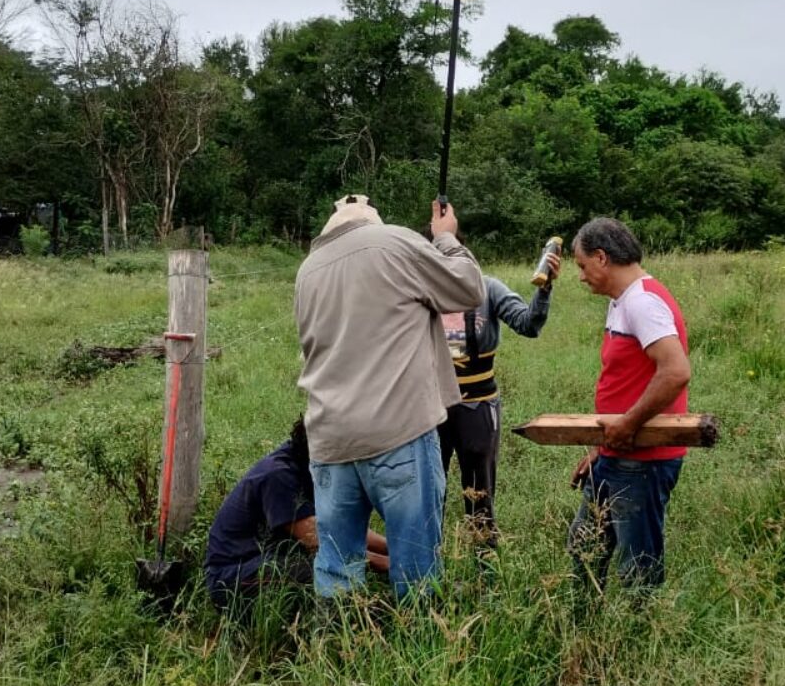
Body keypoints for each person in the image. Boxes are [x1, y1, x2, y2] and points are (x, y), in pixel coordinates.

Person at [294, 194, 486, 600]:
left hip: (329, 441)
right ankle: (421, 653)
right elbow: (468, 288)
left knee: (337, 566)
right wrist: (446, 238)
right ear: (372, 223)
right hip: (398, 432)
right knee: (416, 563)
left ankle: (335, 650)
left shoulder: (307, 270)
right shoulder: (394, 242)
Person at [566, 217, 692, 594]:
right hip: (615, 453)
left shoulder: (642, 301)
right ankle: (583, 632)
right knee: (585, 547)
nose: (581, 276)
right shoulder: (623, 301)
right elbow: (624, 383)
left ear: (601, 258)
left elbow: (675, 371)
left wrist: (629, 424)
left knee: (638, 567)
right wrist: (598, 448)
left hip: (642, 461)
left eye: (582, 266)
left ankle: (640, 638)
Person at [424, 230, 562, 558]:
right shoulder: (425, 292)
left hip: (478, 407)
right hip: (431, 408)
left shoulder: (488, 288)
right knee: (429, 492)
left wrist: (544, 288)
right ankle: (428, 568)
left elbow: (529, 325)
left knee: (480, 493)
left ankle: (485, 571)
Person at [203, 418, 390, 613]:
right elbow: (323, 541)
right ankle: (333, 628)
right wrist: (387, 564)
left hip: (268, 560)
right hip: (233, 578)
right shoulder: (278, 476)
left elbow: (339, 527)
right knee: (325, 569)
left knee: (329, 567)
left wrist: (392, 546)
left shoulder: (307, 465)